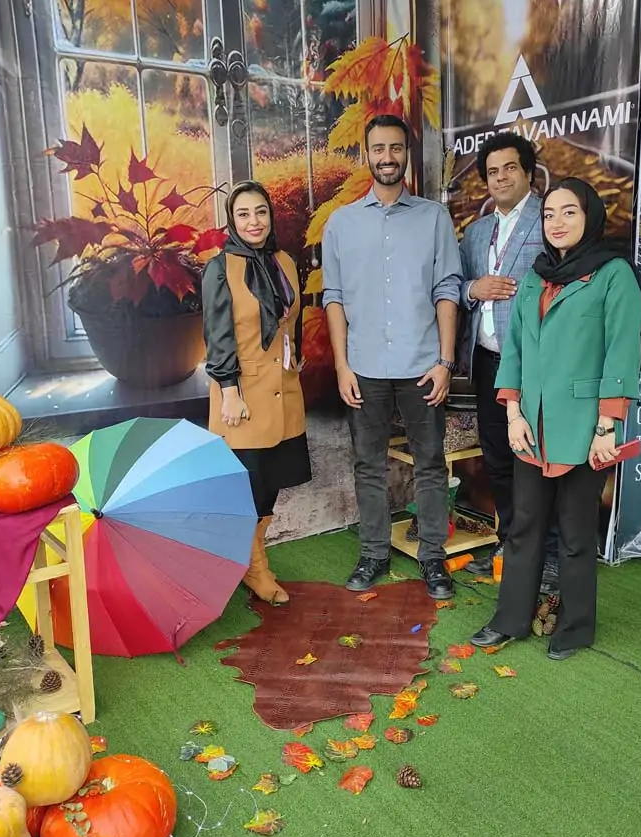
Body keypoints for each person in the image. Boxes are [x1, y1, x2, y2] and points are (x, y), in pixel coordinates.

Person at [469, 177, 641, 658]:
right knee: (524, 525)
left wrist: (607, 427)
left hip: (586, 429)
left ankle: (575, 627)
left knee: (575, 533)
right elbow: (515, 349)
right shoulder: (536, 275)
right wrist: (513, 413)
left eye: (569, 212)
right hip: (532, 425)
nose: (557, 222)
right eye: (549, 214)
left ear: (589, 216)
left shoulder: (613, 274)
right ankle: (510, 619)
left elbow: (622, 353)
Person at [322, 113, 462, 600]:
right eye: (379, 148)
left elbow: (448, 289)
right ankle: (374, 553)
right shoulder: (340, 224)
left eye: (396, 148)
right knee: (369, 465)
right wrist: (342, 365)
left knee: (430, 464)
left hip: (423, 365)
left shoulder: (434, 218)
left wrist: (445, 361)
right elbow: (334, 298)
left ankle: (433, 557)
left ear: (407, 155)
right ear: (366, 155)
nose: (387, 157)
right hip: (362, 367)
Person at [202, 180, 312, 606]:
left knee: (272, 481)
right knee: (248, 486)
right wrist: (229, 390)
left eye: (261, 212)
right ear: (232, 221)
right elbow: (218, 336)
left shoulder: (284, 261)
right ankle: (254, 567)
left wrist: (295, 357)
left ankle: (252, 559)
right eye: (244, 214)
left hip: (283, 389)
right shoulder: (220, 268)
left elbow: (291, 320)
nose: (254, 222)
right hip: (242, 394)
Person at [459, 133, 559, 585]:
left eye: (509, 168)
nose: (500, 178)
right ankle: (509, 545)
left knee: (538, 459)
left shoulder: (549, 220)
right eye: (492, 172)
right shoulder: (477, 232)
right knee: (498, 458)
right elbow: (456, 285)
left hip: (536, 364)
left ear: (529, 173)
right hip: (487, 362)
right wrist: (472, 289)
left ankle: (548, 555)